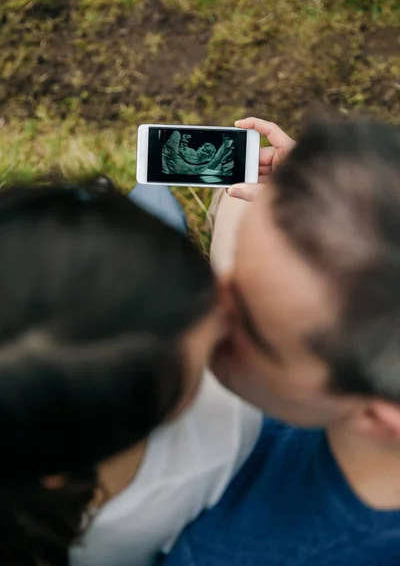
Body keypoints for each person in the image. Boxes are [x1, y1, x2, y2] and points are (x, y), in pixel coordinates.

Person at [162, 117, 400, 566]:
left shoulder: (225, 551)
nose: (199, 306)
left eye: (243, 326)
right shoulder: (354, 378)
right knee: (240, 197)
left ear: (377, 414)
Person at [0, 181, 262, 566]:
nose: (225, 328)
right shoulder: (230, 428)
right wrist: (237, 232)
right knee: (153, 194)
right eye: (213, 352)